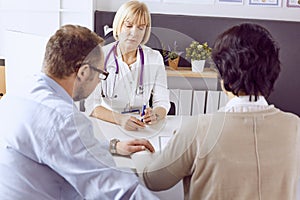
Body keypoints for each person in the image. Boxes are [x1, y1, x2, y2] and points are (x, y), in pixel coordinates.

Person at [142, 23, 300, 199]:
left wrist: (143, 153)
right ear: (272, 72)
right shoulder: (295, 127)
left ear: (223, 74)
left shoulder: (197, 129)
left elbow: (154, 180)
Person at [0, 24, 159, 199]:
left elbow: (60, 146)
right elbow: (121, 192)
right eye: (100, 74)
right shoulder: (63, 119)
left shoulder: (17, 93)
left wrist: (113, 146)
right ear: (83, 72)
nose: (99, 82)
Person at [85, 0, 170, 131]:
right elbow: (92, 105)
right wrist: (121, 120)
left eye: (140, 28)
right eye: (129, 26)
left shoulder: (154, 58)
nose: (134, 33)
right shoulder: (100, 56)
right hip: (108, 123)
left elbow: (162, 101)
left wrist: (156, 115)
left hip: (141, 126)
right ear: (118, 27)